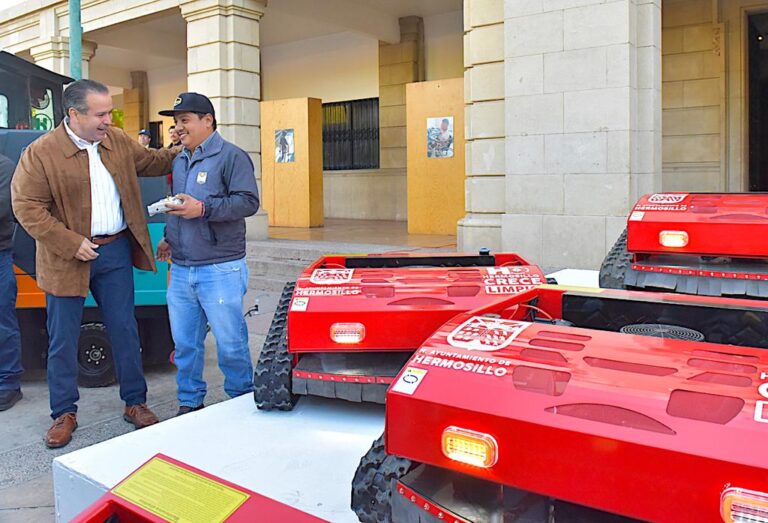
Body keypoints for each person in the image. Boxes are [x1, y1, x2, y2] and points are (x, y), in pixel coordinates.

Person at [11, 79, 177, 448]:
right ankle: (64, 413)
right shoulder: (41, 153)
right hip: (65, 257)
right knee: (63, 339)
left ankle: (135, 403)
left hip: (115, 251)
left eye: (109, 112)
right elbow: (26, 207)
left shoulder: (115, 141)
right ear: (74, 114)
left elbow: (150, 162)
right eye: (101, 114)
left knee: (124, 329)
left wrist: (180, 146)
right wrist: (71, 243)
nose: (108, 120)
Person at [155, 92, 259, 416]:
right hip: (183, 268)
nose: (179, 127)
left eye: (185, 120)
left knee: (230, 344)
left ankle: (242, 399)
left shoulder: (232, 156)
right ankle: (189, 400)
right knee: (185, 345)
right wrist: (168, 238)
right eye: (176, 122)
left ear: (207, 120)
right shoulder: (180, 159)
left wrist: (203, 208)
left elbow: (248, 202)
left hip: (220, 268)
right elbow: (179, 203)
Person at [0, 152, 23, 412]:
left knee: (2, 322)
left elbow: (3, 207)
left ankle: (8, 383)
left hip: (0, 254)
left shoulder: (4, 167)